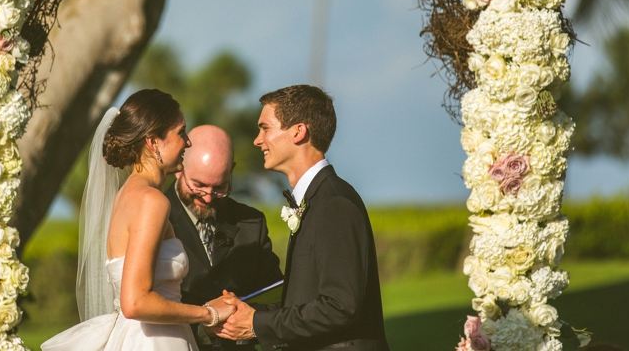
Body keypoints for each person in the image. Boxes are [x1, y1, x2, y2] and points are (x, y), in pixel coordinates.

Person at [42, 89, 235, 351]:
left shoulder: (127, 195)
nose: (188, 142)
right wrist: (208, 313)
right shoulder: (151, 201)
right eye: (181, 133)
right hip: (153, 340)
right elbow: (135, 302)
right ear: (153, 142)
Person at [212, 84, 389, 351]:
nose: (257, 140)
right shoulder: (317, 201)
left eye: (265, 128)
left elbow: (340, 306)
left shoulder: (335, 203)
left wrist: (257, 323)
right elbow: (306, 302)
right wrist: (249, 313)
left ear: (298, 131)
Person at [167, 125, 283, 350]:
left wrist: (248, 318)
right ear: (179, 168)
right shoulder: (156, 218)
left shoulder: (252, 222)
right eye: (198, 185)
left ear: (232, 170)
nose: (209, 197)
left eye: (220, 187)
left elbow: (276, 296)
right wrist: (203, 323)